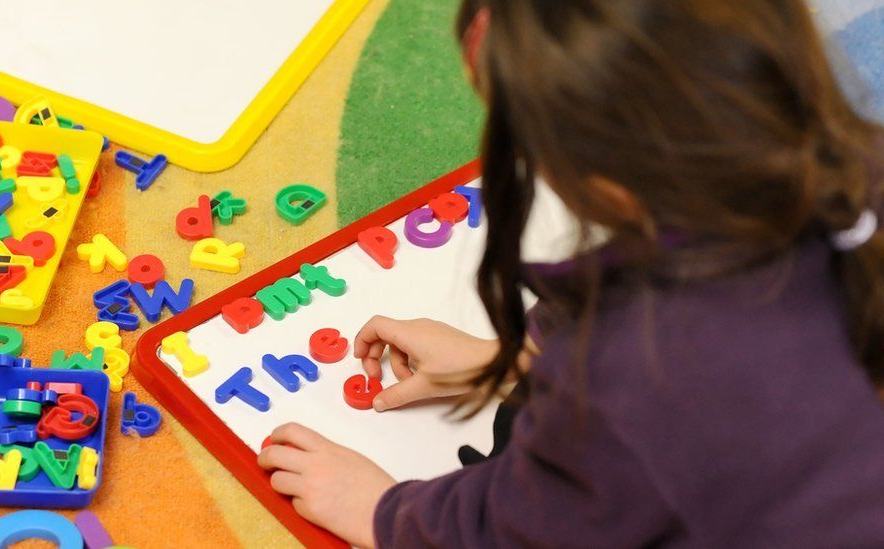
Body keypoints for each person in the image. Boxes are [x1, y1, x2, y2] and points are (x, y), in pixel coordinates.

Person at [259, 0, 884, 546]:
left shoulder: (634, 377)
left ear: (602, 184)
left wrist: (382, 513)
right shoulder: (858, 165)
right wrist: (510, 358)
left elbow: (530, 530)